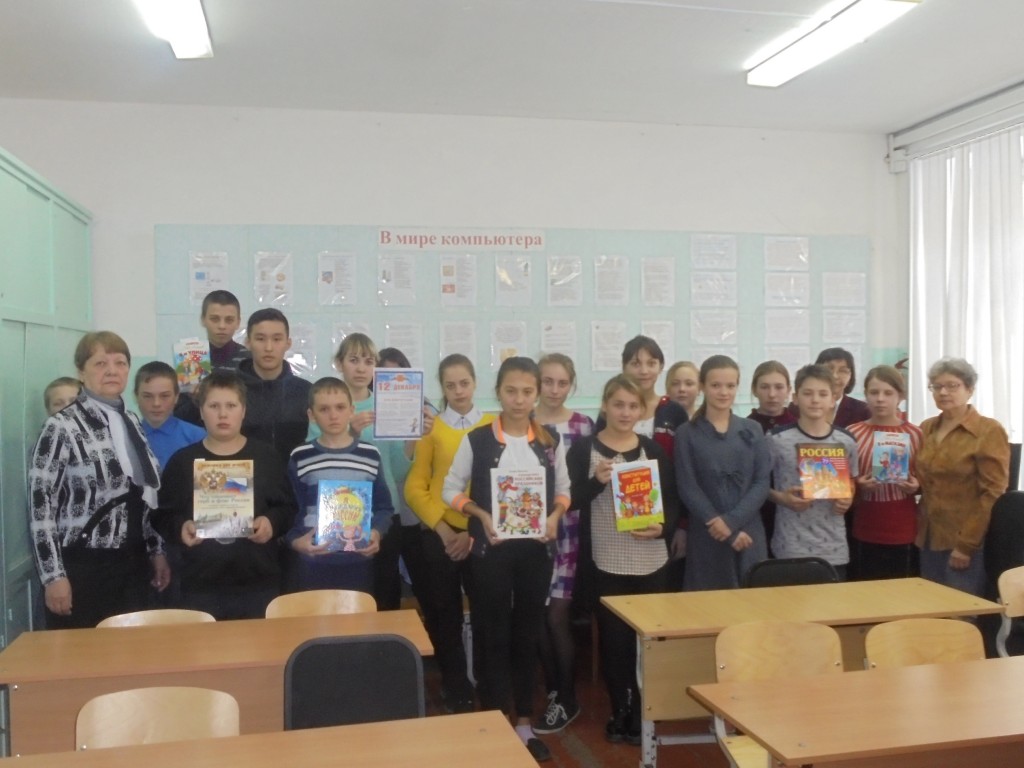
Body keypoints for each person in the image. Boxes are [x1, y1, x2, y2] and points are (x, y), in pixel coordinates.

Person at [442, 357, 569, 763]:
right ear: (497, 392)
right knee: (491, 634)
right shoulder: (477, 440)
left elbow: (564, 491)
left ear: (537, 394)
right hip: (490, 551)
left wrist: (554, 516)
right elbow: (449, 489)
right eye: (511, 391)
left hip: (535, 552)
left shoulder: (550, 441)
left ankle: (525, 723)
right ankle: (494, 722)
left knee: (527, 634)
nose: (519, 399)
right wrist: (479, 514)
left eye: (527, 392)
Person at [29, 331, 168, 628]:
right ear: (81, 372)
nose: (112, 371)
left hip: (132, 565)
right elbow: (41, 508)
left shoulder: (131, 421)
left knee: (132, 652)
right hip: (84, 567)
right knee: (83, 653)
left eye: (120, 363)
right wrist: (53, 577)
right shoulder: (61, 426)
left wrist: (156, 552)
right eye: (101, 363)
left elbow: (142, 495)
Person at [569, 375, 678, 746]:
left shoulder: (653, 450)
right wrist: (596, 482)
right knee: (615, 644)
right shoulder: (584, 449)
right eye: (618, 404)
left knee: (648, 642)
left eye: (633, 406)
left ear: (642, 410)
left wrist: (662, 528)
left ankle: (646, 709)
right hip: (607, 562)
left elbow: (672, 501)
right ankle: (622, 709)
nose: (625, 412)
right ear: (605, 406)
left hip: (652, 561)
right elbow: (570, 501)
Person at [155, 371, 295, 619]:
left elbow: (288, 508)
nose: (222, 414)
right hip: (200, 584)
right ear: (201, 412)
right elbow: (162, 516)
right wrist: (181, 527)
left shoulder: (267, 457)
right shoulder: (182, 462)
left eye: (231, 406)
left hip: (258, 582)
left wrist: (271, 523)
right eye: (214, 406)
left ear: (243, 410)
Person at [405, 353, 494, 715]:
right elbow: (415, 488)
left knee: (487, 611)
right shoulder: (431, 430)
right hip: (439, 534)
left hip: (481, 534)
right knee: (445, 616)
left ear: (475, 383)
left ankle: (489, 683)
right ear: (442, 388)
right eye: (450, 385)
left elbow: (496, 487)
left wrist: (471, 531)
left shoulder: (493, 425)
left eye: (465, 383)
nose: (458, 391)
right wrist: (443, 530)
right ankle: (455, 686)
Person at [331, 334, 418, 611]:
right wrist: (352, 433)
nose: (361, 368)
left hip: (385, 512)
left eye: (368, 361)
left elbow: (398, 471)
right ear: (339, 364)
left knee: (385, 591)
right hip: (342, 511)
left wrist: (413, 434)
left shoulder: (387, 405)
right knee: (346, 593)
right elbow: (319, 462)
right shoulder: (329, 404)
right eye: (353, 360)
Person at [532, 353, 593, 734]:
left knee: (557, 615)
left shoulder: (583, 425)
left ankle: (568, 697)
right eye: (547, 381)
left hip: (568, 528)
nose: (554, 390)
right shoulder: (523, 421)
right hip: (529, 530)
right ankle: (555, 689)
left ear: (571, 385)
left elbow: (587, 482)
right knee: (537, 614)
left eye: (562, 383)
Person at [285, 378, 390, 593]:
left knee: (358, 615)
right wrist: (295, 541)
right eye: (324, 409)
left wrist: (377, 533)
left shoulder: (370, 454)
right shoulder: (300, 456)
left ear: (351, 410)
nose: (333, 415)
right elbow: (289, 508)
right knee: (314, 615)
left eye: (340, 407)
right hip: (312, 561)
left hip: (358, 561)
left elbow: (384, 507)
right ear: (311, 415)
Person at [675, 356, 770, 590]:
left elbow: (761, 482)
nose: (724, 392)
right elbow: (688, 487)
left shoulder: (753, 429)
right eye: (716, 385)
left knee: (753, 603)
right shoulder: (686, 433)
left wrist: (732, 522)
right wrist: (722, 528)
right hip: (708, 532)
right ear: (702, 386)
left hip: (748, 531)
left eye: (730, 385)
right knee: (709, 603)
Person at [597, 336, 688, 581]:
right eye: (636, 363)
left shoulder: (674, 411)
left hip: (663, 519)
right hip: (613, 524)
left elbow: (683, 472)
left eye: (651, 363)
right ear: (624, 366)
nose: (644, 370)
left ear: (661, 366)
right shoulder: (611, 411)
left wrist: (680, 525)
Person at [916, 358, 1009, 596]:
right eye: (937, 387)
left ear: (969, 389)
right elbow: (923, 479)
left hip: (964, 539)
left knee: (961, 611)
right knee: (930, 607)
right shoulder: (926, 427)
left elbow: (993, 493)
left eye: (952, 386)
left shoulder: (988, 430)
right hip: (928, 535)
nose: (943, 392)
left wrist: (967, 545)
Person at [767, 364, 858, 579]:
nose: (815, 400)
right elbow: (758, 485)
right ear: (795, 398)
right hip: (790, 547)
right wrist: (781, 498)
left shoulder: (846, 441)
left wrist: (848, 498)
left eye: (822, 394)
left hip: (834, 548)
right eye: (807, 393)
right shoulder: (776, 439)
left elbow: (851, 482)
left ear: (833, 399)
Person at [847, 366, 923, 580]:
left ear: (901, 396)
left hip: (903, 525)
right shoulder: (852, 433)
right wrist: (858, 485)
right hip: (864, 523)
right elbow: (843, 478)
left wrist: (917, 486)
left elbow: (927, 480)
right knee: (864, 588)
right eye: (874, 392)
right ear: (865, 395)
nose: (880, 399)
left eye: (888, 393)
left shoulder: (916, 434)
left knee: (900, 590)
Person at [235, 308, 311, 460]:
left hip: (293, 474)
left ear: (288, 343)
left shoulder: (307, 392)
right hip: (242, 474)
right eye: (260, 339)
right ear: (248, 343)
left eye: (277, 339)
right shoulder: (230, 391)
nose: (268, 348)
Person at [174, 290, 251, 425]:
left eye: (229, 320)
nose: (222, 326)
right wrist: (195, 399)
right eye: (214, 319)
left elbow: (254, 409)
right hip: (198, 434)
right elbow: (179, 416)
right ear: (203, 320)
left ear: (238, 322)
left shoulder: (249, 360)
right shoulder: (189, 358)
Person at [747, 360, 797, 549]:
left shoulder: (800, 425)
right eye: (765, 387)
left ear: (789, 390)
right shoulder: (744, 428)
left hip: (795, 513)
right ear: (754, 389)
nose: (772, 394)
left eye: (779, 387)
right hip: (755, 513)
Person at [134, 361, 206, 469]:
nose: (156, 403)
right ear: (136, 397)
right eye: (148, 396)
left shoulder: (197, 436)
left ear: (176, 397)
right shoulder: (127, 437)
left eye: (164, 396)